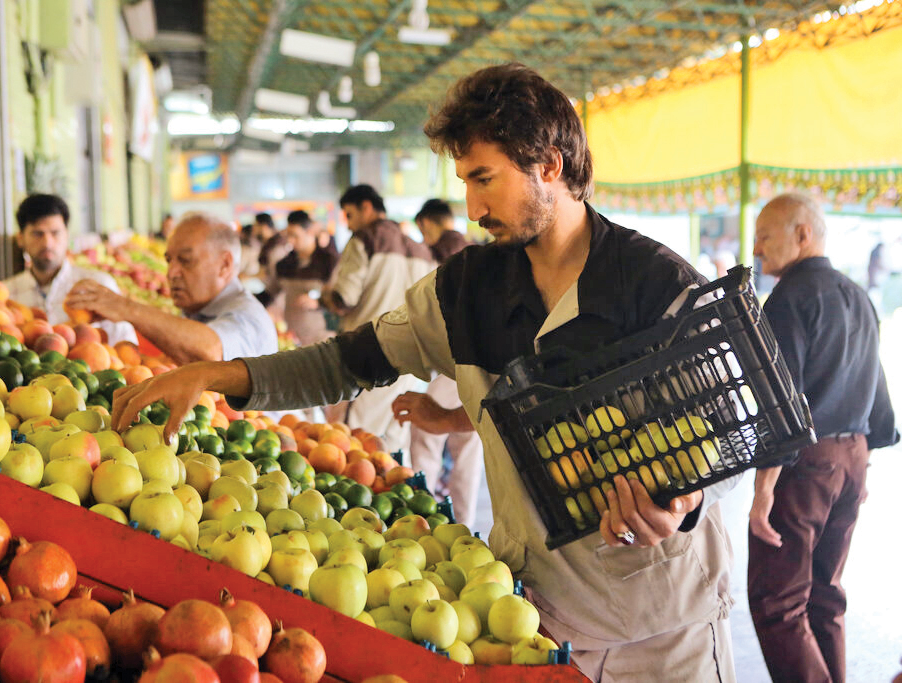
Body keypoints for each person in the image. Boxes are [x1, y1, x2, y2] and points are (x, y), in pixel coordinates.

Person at [109, 63, 738, 681]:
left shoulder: (657, 287)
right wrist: (216, 375)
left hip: (665, 632)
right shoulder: (466, 291)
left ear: (550, 164)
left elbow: (726, 430)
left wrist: (686, 499)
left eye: (485, 179)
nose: (472, 207)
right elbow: (343, 363)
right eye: (464, 181)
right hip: (534, 621)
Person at [748, 193, 897, 683]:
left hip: (806, 464)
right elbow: (875, 387)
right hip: (852, 459)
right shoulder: (857, 294)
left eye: (765, 235)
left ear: (803, 234)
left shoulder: (788, 299)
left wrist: (764, 486)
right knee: (824, 596)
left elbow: (781, 401)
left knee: (778, 602)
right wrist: (863, 467)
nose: (756, 249)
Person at [65, 213, 278, 365]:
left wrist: (126, 308)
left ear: (225, 265)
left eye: (185, 260)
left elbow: (211, 351)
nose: (172, 272)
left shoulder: (248, 317)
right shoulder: (198, 309)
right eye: (169, 260)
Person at [320, 184, 435, 454]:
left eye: (349, 215)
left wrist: (325, 297)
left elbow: (344, 298)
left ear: (366, 208)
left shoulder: (365, 239)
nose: (348, 225)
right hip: (412, 361)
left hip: (370, 354)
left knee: (355, 446)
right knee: (393, 447)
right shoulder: (420, 248)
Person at [391, 198, 483, 527]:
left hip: (457, 365)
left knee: (426, 434)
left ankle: (423, 515)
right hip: (476, 366)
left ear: (427, 224)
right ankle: (464, 525)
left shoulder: (447, 251)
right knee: (467, 450)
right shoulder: (467, 248)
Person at [5, 193, 137, 345]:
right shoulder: (7, 295)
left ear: (67, 235)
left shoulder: (98, 286)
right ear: (20, 239)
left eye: (55, 233)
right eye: (37, 234)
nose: (47, 243)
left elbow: (126, 346)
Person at [258, 210, 339, 347]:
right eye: (288, 235)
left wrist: (319, 302)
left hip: (324, 338)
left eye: (295, 236)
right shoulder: (284, 265)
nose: (290, 241)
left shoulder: (329, 262)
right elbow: (271, 291)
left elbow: (341, 298)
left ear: (310, 232)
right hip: (292, 338)